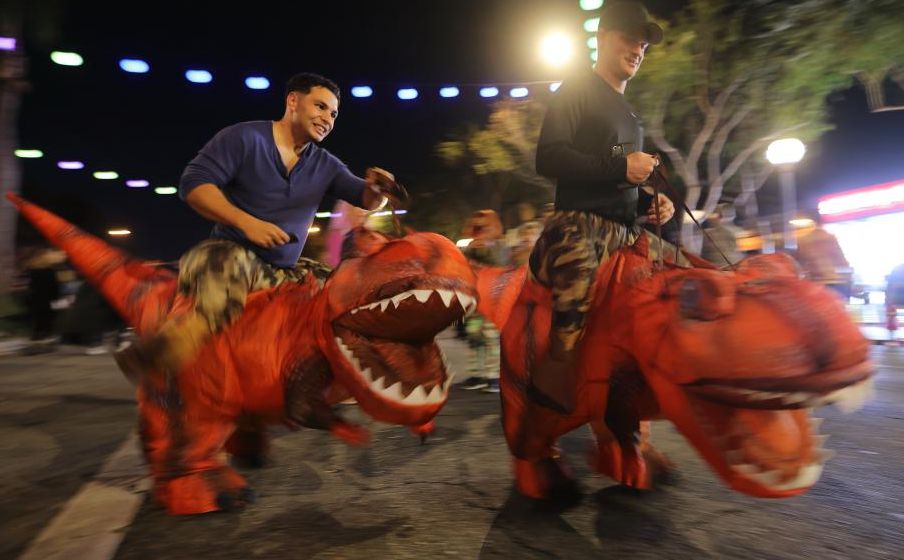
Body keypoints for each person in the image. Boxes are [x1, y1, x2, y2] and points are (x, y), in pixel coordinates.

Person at [119, 72, 405, 377]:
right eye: (320, 107)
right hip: (226, 256)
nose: (328, 118)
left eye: (333, 114)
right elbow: (193, 185)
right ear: (293, 101)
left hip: (281, 272)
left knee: (346, 291)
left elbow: (366, 199)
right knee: (224, 274)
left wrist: (379, 190)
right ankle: (159, 358)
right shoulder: (244, 138)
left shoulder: (326, 165)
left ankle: (340, 377)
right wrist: (246, 223)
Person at [528, 1, 675, 413]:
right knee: (572, 312)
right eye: (631, 38)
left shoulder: (629, 113)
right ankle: (549, 388)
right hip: (579, 227)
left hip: (627, 230)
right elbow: (548, 158)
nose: (638, 49)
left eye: (644, 44)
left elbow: (624, 174)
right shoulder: (575, 89)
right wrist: (622, 166)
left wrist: (653, 199)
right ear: (602, 38)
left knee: (683, 284)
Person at [459, 210, 510, 393]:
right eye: (476, 224)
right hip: (475, 299)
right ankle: (477, 375)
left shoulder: (499, 245)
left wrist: (484, 249)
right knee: (474, 337)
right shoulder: (470, 246)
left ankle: (493, 377)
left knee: (491, 338)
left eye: (483, 225)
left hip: (494, 299)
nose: (479, 228)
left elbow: (500, 264)